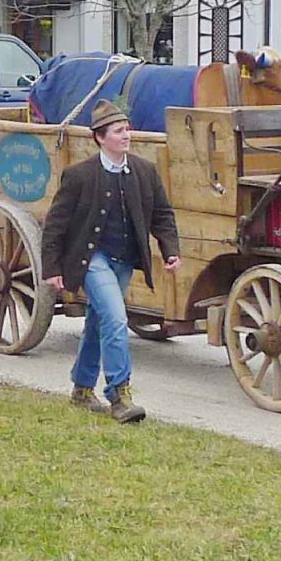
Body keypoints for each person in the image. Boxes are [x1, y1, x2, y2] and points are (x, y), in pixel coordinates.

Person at [41, 100, 180, 424]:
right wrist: (52, 268)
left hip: (124, 261)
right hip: (92, 260)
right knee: (116, 319)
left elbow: (162, 214)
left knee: (99, 320)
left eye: (126, 129)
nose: (126, 135)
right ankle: (119, 394)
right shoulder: (79, 176)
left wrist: (170, 249)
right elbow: (56, 225)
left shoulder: (145, 172)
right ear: (100, 138)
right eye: (118, 131)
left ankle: (82, 388)